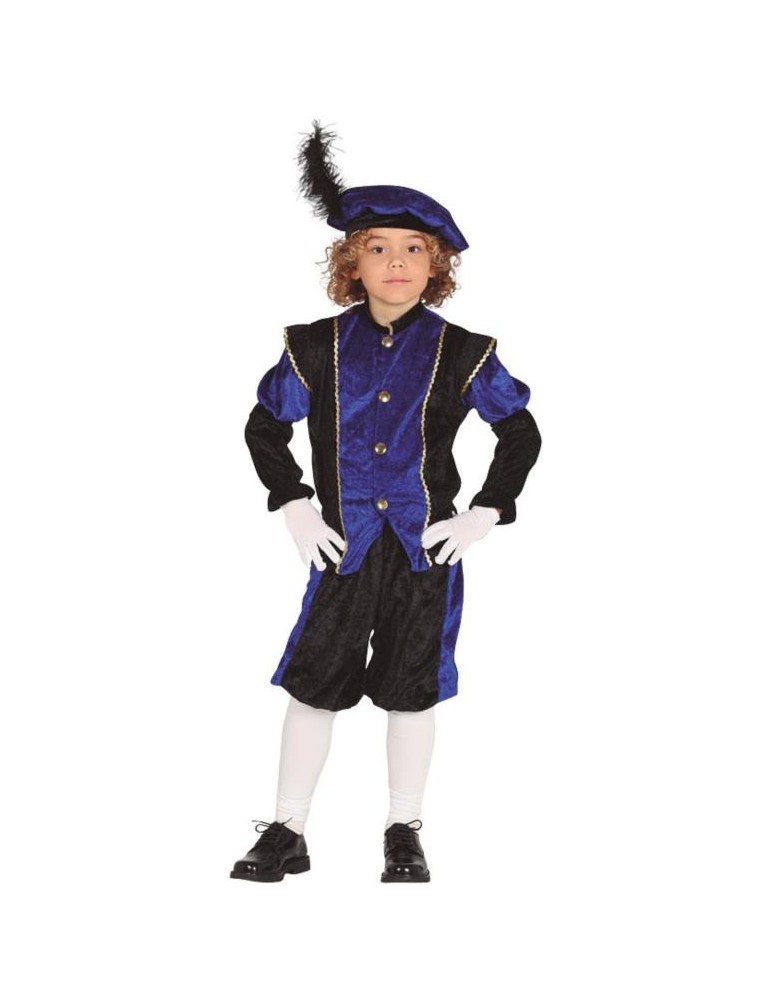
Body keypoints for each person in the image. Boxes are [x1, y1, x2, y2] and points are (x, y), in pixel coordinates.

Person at [230, 123, 541, 883]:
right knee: (314, 684)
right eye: (378, 248)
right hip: (340, 548)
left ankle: (404, 829)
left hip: (424, 548)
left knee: (411, 690)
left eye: (412, 249)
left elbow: (520, 432)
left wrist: (485, 511)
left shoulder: (464, 352)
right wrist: (293, 502)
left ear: (435, 265)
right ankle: (287, 828)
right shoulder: (314, 346)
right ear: (352, 262)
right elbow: (265, 425)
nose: (395, 262)